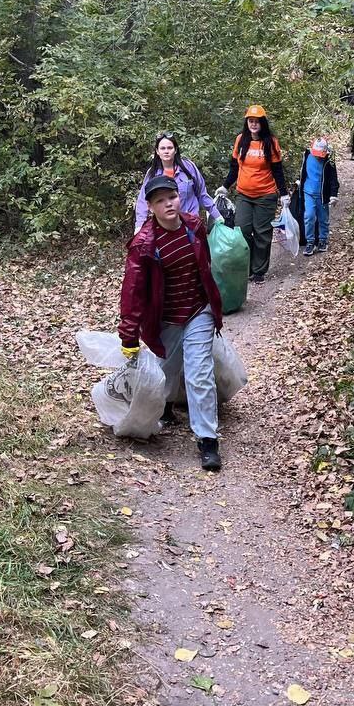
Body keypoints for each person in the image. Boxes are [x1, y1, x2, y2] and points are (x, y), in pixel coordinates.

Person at [119, 174, 224, 472]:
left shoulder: (194, 226)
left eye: (172, 197)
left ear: (180, 197)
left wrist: (214, 305)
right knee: (164, 375)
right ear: (150, 207)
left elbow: (205, 267)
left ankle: (207, 440)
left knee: (199, 373)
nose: (169, 204)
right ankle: (165, 407)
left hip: (197, 312)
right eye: (160, 201)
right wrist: (128, 336)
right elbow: (133, 292)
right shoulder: (143, 245)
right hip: (164, 321)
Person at [216, 105, 290, 284]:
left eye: (257, 121)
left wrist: (284, 194)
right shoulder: (241, 140)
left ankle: (258, 271)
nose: (254, 124)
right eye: (251, 121)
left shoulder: (270, 142)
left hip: (266, 195)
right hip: (244, 194)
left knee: (262, 233)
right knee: (242, 229)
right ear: (247, 122)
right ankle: (246, 267)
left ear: (262, 123)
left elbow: (277, 170)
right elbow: (234, 166)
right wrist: (225, 186)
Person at [135, 132, 221, 232]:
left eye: (169, 148)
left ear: (175, 150)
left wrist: (217, 215)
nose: (166, 151)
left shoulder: (188, 167)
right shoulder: (153, 174)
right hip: (166, 227)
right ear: (157, 151)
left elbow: (202, 194)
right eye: (162, 148)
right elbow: (143, 201)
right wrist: (139, 226)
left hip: (191, 223)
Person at [297, 137, 339, 256]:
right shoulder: (306, 155)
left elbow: (333, 178)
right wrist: (298, 181)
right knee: (308, 216)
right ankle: (310, 242)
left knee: (323, 219)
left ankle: (322, 240)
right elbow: (302, 171)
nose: (318, 156)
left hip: (322, 194)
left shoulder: (329, 160)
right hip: (308, 192)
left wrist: (333, 195)